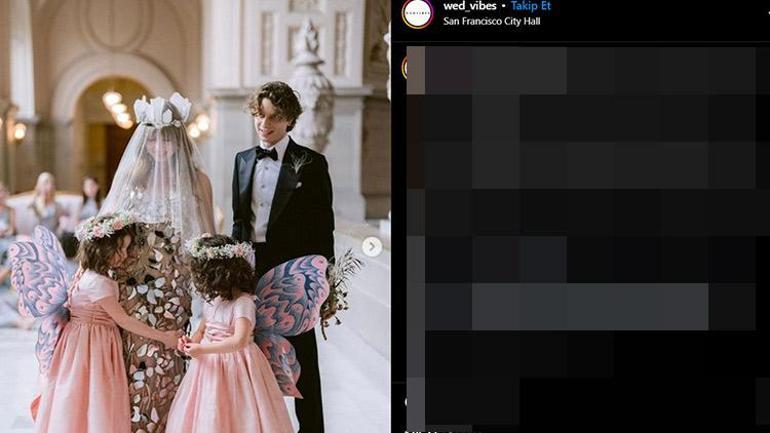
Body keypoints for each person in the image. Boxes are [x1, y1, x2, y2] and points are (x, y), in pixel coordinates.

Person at [99, 92, 215, 432]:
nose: (159, 147)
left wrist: (211, 288)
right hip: (134, 284)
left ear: (178, 139)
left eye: (166, 139)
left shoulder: (198, 180)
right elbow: (110, 230)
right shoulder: (134, 178)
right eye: (153, 139)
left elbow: (208, 232)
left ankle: (167, 424)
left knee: (169, 356)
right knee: (135, 358)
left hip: (177, 285)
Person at [232, 81, 335, 432]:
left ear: (289, 119)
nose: (265, 124)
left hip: (294, 273)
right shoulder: (242, 160)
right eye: (259, 115)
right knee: (252, 353)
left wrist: (325, 283)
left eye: (274, 117)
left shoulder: (312, 163)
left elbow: (323, 227)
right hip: (250, 270)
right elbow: (239, 221)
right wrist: (232, 274)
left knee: (303, 357)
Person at [32, 213, 179, 433]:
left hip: (79, 343)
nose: (124, 255)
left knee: (78, 395)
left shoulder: (84, 272)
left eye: (126, 248)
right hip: (93, 347)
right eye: (120, 249)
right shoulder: (99, 283)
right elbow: (124, 320)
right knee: (95, 394)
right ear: (103, 248)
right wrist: (165, 337)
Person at [165, 235, 293, 433]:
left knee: (236, 409)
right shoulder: (214, 299)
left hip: (237, 364)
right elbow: (202, 329)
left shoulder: (243, 303)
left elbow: (239, 340)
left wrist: (203, 349)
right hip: (208, 366)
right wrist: (190, 342)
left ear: (220, 274)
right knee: (209, 407)